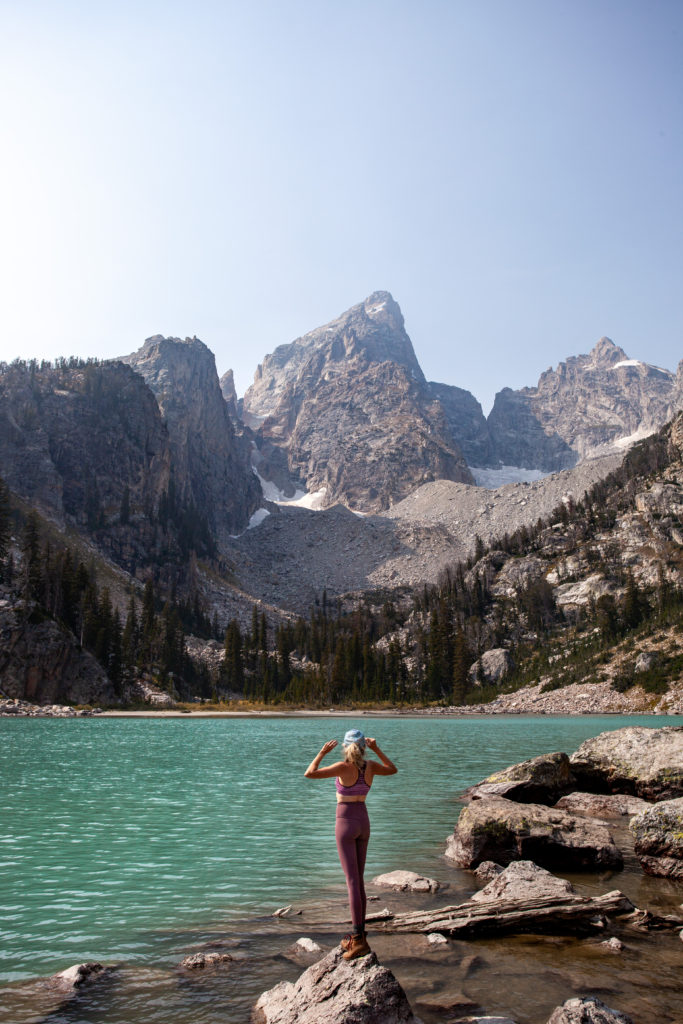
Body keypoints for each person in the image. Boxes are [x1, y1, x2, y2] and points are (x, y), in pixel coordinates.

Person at [304, 728, 397, 960]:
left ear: (346, 747)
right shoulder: (371, 766)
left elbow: (310, 773)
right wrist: (377, 749)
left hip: (345, 823)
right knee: (359, 881)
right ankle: (361, 936)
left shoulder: (342, 767)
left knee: (351, 881)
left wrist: (322, 752)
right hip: (364, 821)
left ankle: (356, 940)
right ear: (364, 747)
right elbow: (393, 769)